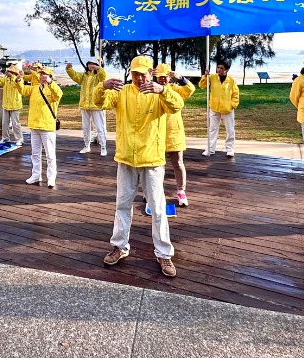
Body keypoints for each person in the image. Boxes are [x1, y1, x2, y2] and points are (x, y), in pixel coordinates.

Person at [93, 55, 183, 278]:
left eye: (143, 73)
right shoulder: (122, 92)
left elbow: (177, 105)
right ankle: (120, 246)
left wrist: (163, 91)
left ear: (151, 72)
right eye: (134, 73)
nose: (139, 77)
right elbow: (99, 102)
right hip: (125, 159)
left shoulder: (159, 93)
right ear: (130, 73)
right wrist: (101, 86)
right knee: (122, 204)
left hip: (151, 160)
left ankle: (164, 253)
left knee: (158, 208)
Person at [153, 64, 195, 206]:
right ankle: (154, 191)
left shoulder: (175, 89)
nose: (163, 79)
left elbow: (190, 90)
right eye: (160, 77)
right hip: (156, 133)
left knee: (178, 163)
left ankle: (181, 191)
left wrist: (180, 78)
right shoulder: (152, 89)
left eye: (165, 76)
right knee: (156, 166)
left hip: (174, 133)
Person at [18, 66, 62, 188]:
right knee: (35, 153)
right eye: (41, 74)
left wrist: (50, 83)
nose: (42, 76)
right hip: (34, 125)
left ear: (50, 77)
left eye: (46, 74)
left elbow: (59, 94)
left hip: (47, 126)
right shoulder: (34, 88)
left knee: (50, 154)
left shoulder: (53, 90)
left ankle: (51, 177)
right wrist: (18, 80)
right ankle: (36, 175)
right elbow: (22, 90)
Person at [66, 57, 108, 156]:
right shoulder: (84, 75)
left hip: (96, 105)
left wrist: (98, 68)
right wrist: (69, 69)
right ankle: (86, 146)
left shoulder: (99, 75)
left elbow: (104, 76)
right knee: (85, 127)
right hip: (84, 105)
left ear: (97, 65)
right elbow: (75, 76)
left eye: (93, 63)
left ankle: (103, 147)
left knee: (99, 127)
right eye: (89, 63)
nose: (90, 65)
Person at [198, 61, 240, 158]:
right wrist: (205, 76)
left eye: (221, 68)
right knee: (212, 129)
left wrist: (233, 105)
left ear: (227, 69)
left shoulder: (231, 81)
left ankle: (230, 149)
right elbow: (202, 85)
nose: (219, 70)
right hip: (214, 108)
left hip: (227, 109)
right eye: (218, 67)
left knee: (230, 130)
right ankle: (210, 149)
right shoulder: (212, 77)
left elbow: (235, 94)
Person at [0, 64, 24, 145]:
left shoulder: (18, 79)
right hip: (6, 105)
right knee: (4, 123)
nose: (7, 72)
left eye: (9, 71)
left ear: (13, 73)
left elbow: (20, 87)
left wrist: (16, 78)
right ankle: (5, 138)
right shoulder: (5, 79)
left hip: (15, 105)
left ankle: (19, 139)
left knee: (16, 123)